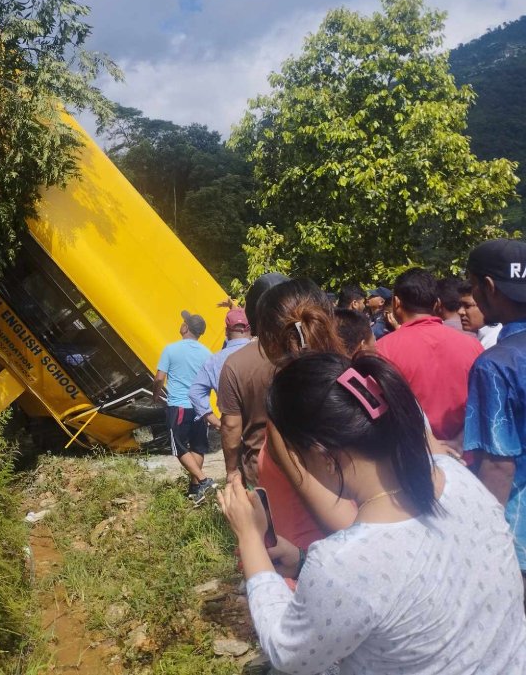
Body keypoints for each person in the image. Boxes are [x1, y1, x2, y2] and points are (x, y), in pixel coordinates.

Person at [218, 352, 526, 674]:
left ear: (321, 454)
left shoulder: (343, 563)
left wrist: (251, 538)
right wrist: (302, 561)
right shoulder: (458, 477)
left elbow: (289, 653)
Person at [253, 280, 357, 550]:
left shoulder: (286, 409)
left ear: (266, 340)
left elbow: (337, 517)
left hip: (310, 564)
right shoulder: (354, 382)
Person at [463, 238, 526, 599]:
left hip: (518, 536)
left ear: (487, 287)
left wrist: (478, 544)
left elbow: (498, 467)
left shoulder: (496, 365)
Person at [376, 268, 482, 450]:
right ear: (437, 304)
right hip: (466, 456)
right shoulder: (474, 346)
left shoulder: (381, 350)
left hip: (411, 457)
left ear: (396, 303)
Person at [217, 274, 288, 486]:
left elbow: (231, 426)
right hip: (314, 474)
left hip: (261, 472)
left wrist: (231, 471)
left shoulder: (236, 364)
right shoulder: (317, 353)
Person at [153, 311, 214, 503]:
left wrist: (156, 395)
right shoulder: (207, 353)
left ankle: (203, 480)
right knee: (197, 446)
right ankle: (195, 489)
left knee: (178, 447)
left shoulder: (171, 349)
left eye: (183, 322)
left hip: (179, 405)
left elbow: (159, 378)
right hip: (200, 407)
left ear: (185, 327)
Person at [188, 308, 252, 432]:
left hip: (231, 428)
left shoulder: (214, 360)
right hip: (263, 430)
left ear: (227, 331)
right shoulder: (264, 352)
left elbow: (195, 393)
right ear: (250, 328)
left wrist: (216, 422)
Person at [458, 279, 503, 349]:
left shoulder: (494, 342)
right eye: (460, 305)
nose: (460, 312)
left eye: (467, 306)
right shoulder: (484, 338)